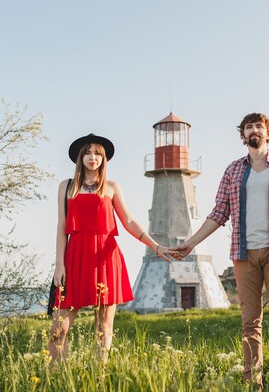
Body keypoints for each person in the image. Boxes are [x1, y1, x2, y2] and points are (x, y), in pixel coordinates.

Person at [172, 113, 269, 387]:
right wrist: (191, 243)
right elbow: (219, 213)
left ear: (268, 133)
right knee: (249, 321)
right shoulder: (233, 171)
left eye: (259, 126)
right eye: (248, 127)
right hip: (244, 255)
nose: (254, 130)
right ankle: (252, 381)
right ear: (243, 135)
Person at [48, 133, 173, 364]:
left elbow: (129, 222)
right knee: (58, 328)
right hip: (74, 257)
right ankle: (56, 378)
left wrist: (155, 246)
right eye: (87, 153)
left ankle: (100, 376)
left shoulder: (111, 187)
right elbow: (61, 226)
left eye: (97, 153)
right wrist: (59, 264)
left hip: (106, 259)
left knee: (103, 327)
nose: (92, 157)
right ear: (80, 157)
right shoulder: (66, 187)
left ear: (104, 158)